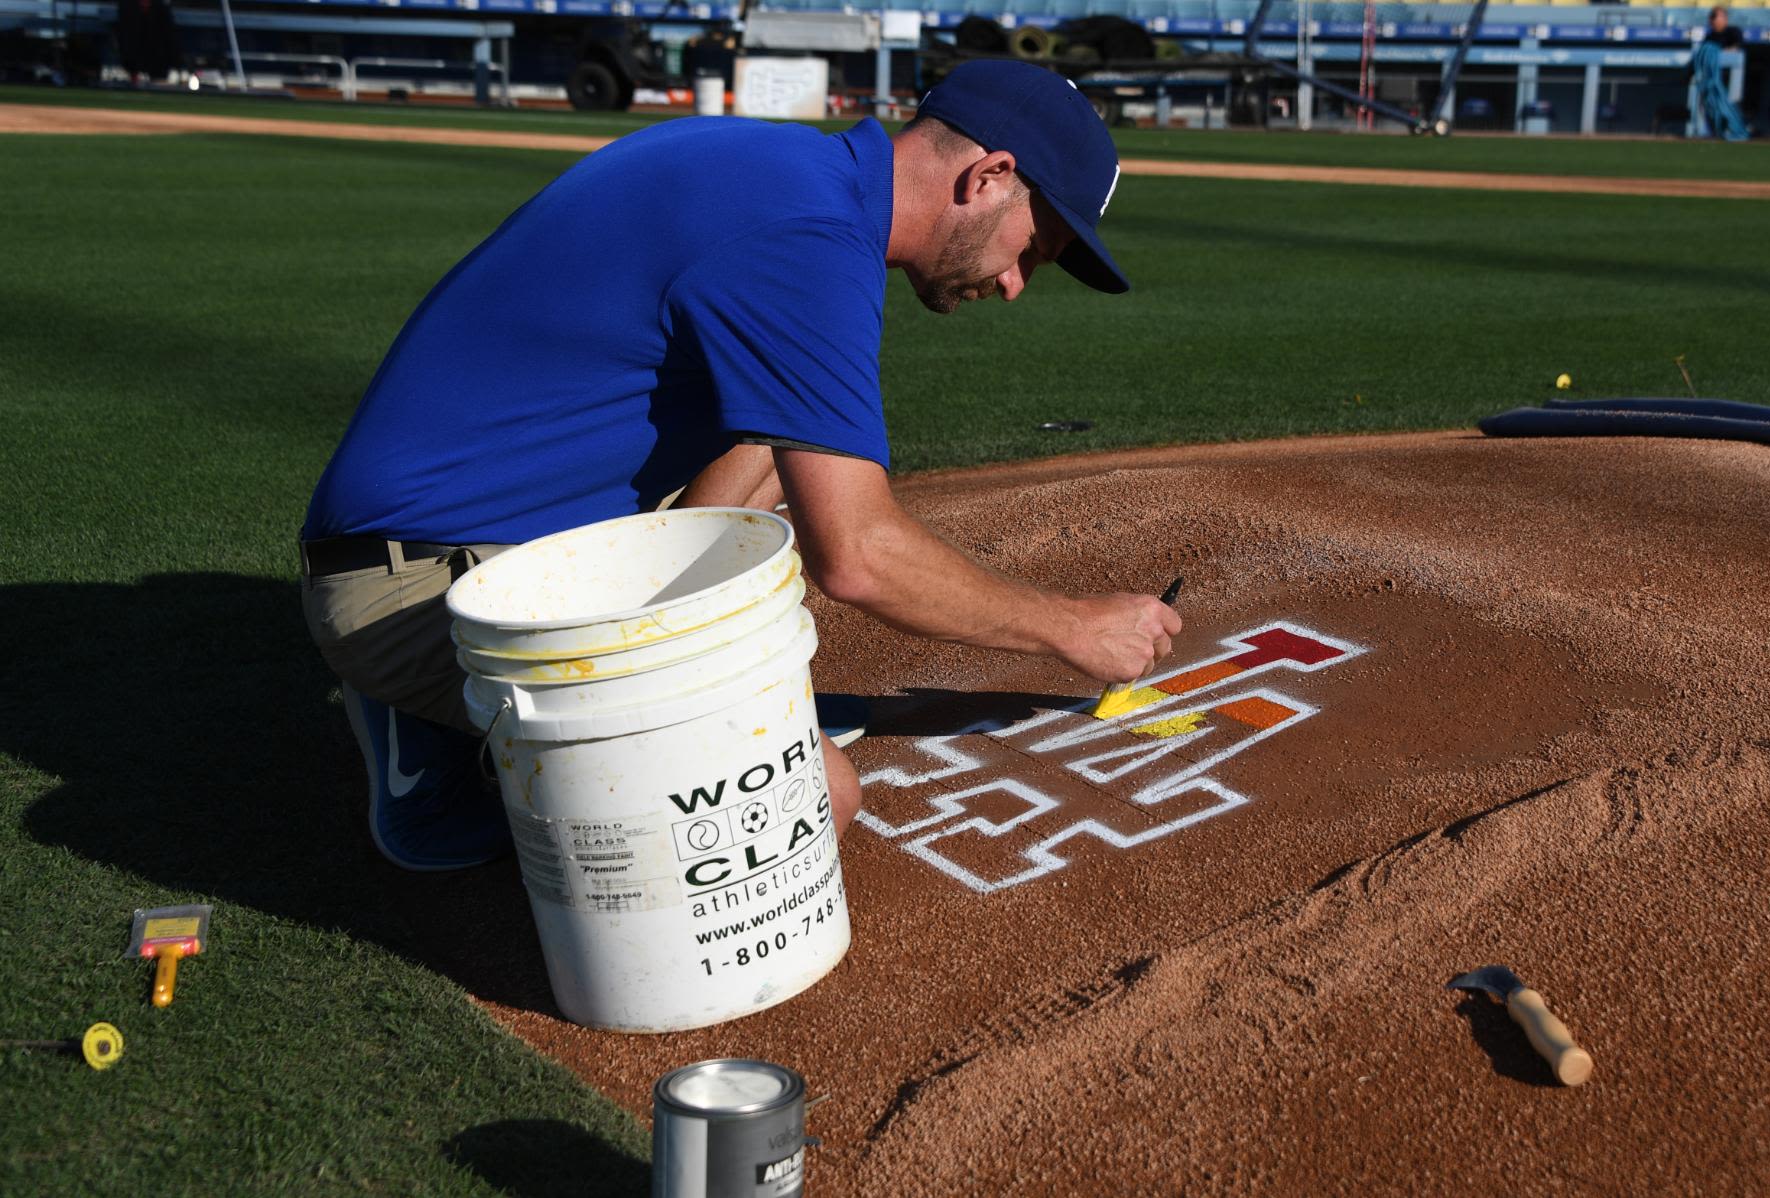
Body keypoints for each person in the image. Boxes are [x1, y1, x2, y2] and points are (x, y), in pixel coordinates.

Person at [299, 61, 1181, 871]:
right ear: (986, 177)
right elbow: (858, 557)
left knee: (789, 432)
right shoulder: (803, 234)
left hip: (485, 530)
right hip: (425, 590)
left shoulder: (777, 166)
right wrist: (1074, 626)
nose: (1019, 282)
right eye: (1034, 248)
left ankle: (599, 699)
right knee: (805, 804)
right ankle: (453, 734)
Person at [1692, 8, 1749, 141]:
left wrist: (1720, 54)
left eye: (1716, 16)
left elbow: (1737, 49)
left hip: (1731, 78)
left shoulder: (1733, 32)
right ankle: (1713, 130)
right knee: (1710, 104)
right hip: (1711, 82)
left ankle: (1734, 129)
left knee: (1730, 106)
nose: (1712, 20)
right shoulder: (1710, 36)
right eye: (1712, 17)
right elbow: (1703, 56)